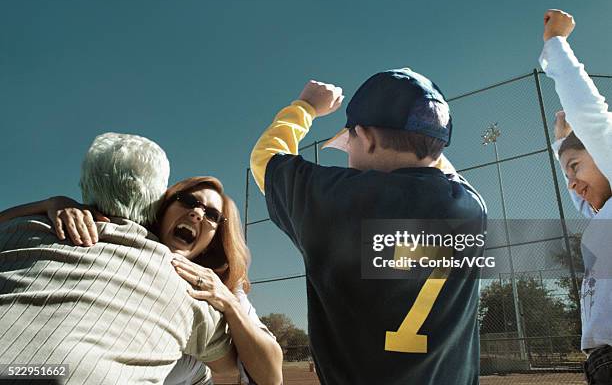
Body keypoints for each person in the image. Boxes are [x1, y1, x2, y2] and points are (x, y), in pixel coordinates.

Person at [250, 70, 486, 384]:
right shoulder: (471, 206)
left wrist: (305, 106)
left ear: (369, 138)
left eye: (350, 143)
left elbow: (265, 159)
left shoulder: (341, 200)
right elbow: (436, 167)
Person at [0, 133, 237, 384]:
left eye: (212, 214)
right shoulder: (186, 285)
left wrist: (49, 203)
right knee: (201, 371)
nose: (197, 214)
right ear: (160, 203)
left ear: (85, 185)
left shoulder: (30, 227)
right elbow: (233, 368)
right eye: (188, 201)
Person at [540, 9, 612, 384]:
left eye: (577, 167)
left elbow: (591, 114)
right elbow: (582, 195)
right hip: (600, 362)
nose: (571, 182)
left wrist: (556, 44)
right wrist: (561, 144)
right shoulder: (604, 215)